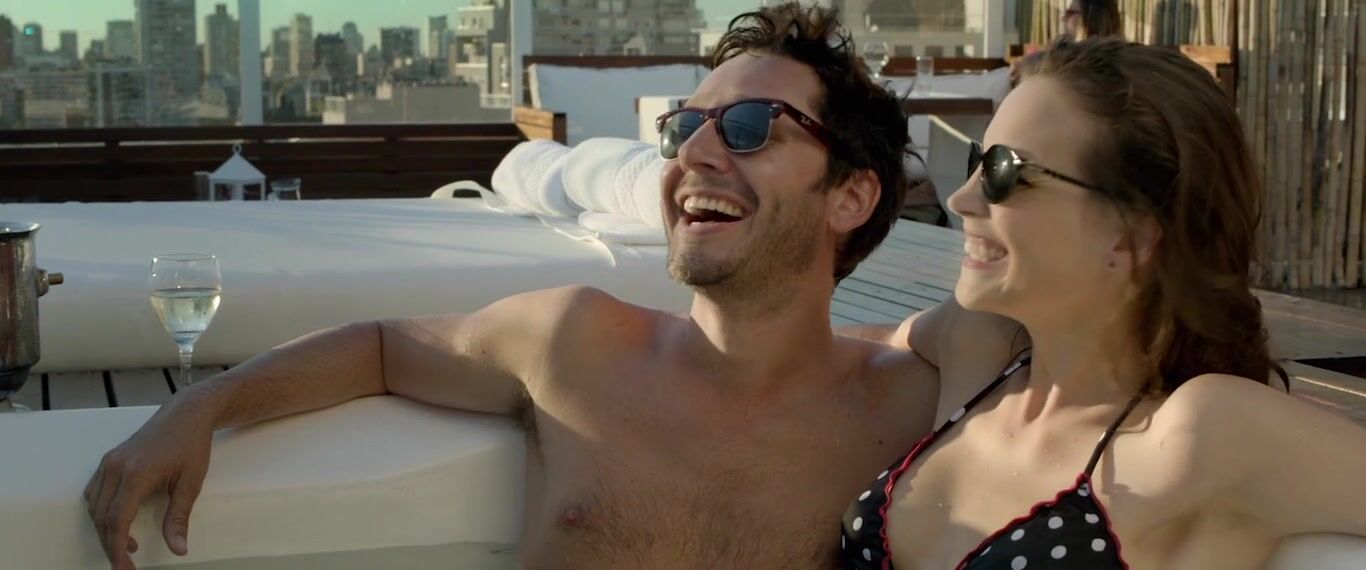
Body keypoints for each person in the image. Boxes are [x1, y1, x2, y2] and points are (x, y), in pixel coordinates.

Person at [84, 4, 940, 569]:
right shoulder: (577, 345)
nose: (692, 153)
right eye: (684, 125)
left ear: (851, 196)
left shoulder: (908, 400)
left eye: (748, 127)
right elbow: (380, 346)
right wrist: (200, 407)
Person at [839, 37, 1366, 569]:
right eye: (977, 161)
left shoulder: (1200, 435)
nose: (961, 199)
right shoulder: (980, 343)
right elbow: (848, 344)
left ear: (1131, 235)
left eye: (1003, 172)